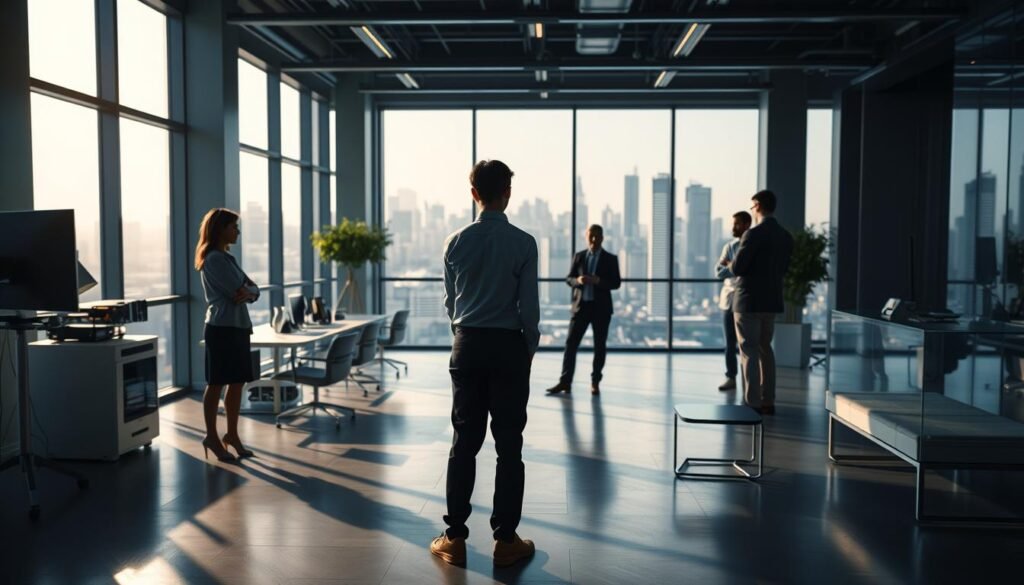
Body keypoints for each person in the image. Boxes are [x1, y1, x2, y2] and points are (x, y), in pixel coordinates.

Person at [431, 160, 539, 568]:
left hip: (468, 343)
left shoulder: (455, 242)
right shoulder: (523, 243)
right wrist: (524, 350)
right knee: (509, 444)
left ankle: (455, 537)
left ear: (473, 193)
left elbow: (450, 303)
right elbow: (529, 309)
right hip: (509, 345)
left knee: (465, 442)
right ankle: (506, 540)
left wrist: (465, 337)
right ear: (507, 193)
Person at [194, 208, 260, 462]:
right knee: (217, 383)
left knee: (237, 382)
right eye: (234, 226)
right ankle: (212, 436)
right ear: (220, 229)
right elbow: (239, 289)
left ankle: (231, 435)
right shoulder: (214, 260)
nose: (238, 231)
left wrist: (250, 292)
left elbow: (253, 289)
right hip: (222, 328)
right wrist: (248, 291)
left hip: (237, 326)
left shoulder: (227, 258)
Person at [730, 190, 793, 415]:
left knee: (749, 351)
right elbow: (784, 269)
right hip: (771, 300)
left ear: (757, 205)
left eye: (751, 207)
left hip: (748, 301)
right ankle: (768, 401)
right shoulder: (785, 236)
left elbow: (737, 268)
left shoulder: (752, 234)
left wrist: (730, 264)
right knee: (766, 349)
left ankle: (752, 403)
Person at [546, 225, 621, 396]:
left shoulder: (611, 259)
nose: (594, 239)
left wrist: (598, 281)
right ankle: (565, 382)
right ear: (586, 236)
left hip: (601, 309)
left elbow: (616, 283)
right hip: (581, 308)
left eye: (597, 236)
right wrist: (578, 280)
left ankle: (595, 382)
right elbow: (569, 279)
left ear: (603, 238)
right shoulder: (579, 256)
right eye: (591, 236)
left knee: (599, 346)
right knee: (570, 345)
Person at [716, 211, 752, 391]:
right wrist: (735, 268)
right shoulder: (729, 246)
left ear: (746, 225)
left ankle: (749, 380)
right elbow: (718, 271)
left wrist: (731, 266)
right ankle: (731, 377)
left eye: (737, 224)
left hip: (746, 299)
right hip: (728, 301)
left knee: (747, 343)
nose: (733, 227)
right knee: (729, 342)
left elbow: (746, 271)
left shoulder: (752, 246)